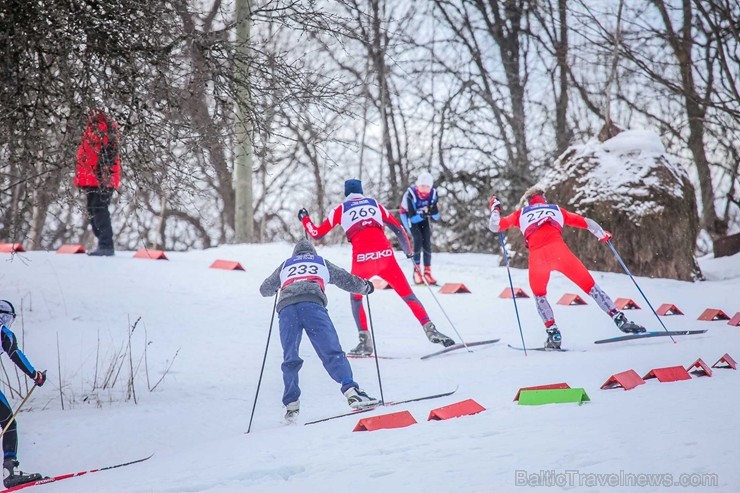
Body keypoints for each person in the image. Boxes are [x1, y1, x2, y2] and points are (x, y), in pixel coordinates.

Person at [299, 178, 455, 356]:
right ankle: (430, 328)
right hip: (386, 258)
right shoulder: (375, 205)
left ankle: (365, 342)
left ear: (346, 193)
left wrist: (305, 219)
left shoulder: (341, 209)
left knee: (356, 299)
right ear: (361, 192)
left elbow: (317, 233)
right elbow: (398, 229)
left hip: (362, 260)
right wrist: (409, 252)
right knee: (408, 295)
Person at [487, 186, 646, 350]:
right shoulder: (556, 210)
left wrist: (495, 208)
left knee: (540, 295)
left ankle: (553, 333)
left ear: (529, 200)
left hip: (538, 258)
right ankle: (619, 318)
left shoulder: (521, 214)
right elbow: (588, 223)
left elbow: (495, 226)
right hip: (560, 253)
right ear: (543, 198)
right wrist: (602, 235)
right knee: (590, 287)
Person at [259, 239, 379, 423]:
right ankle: (351, 392)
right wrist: (365, 287)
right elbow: (346, 279)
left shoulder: (286, 265)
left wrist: (277, 286)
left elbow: (264, 289)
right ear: (312, 253)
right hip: (312, 306)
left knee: (290, 357)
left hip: (287, 310)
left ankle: (291, 406)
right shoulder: (320, 261)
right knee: (331, 351)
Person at [0, 300, 47, 488]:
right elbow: (15, 354)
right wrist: (36, 376)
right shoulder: (3, 333)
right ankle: (9, 472)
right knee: (9, 424)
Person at [74, 109, 121, 257]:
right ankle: (103, 243)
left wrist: (104, 172)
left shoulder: (103, 128)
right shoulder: (92, 129)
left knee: (99, 209)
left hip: (101, 178)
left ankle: (106, 245)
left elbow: (109, 150)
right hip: (93, 178)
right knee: (93, 210)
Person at [400, 172, 441, 285]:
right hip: (408, 216)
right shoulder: (410, 194)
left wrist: (434, 211)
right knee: (417, 239)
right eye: (422, 186)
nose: (424, 189)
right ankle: (417, 271)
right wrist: (424, 213)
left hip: (422, 218)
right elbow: (412, 218)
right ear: (418, 185)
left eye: (427, 186)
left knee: (427, 241)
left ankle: (427, 272)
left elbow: (437, 217)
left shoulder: (433, 194)